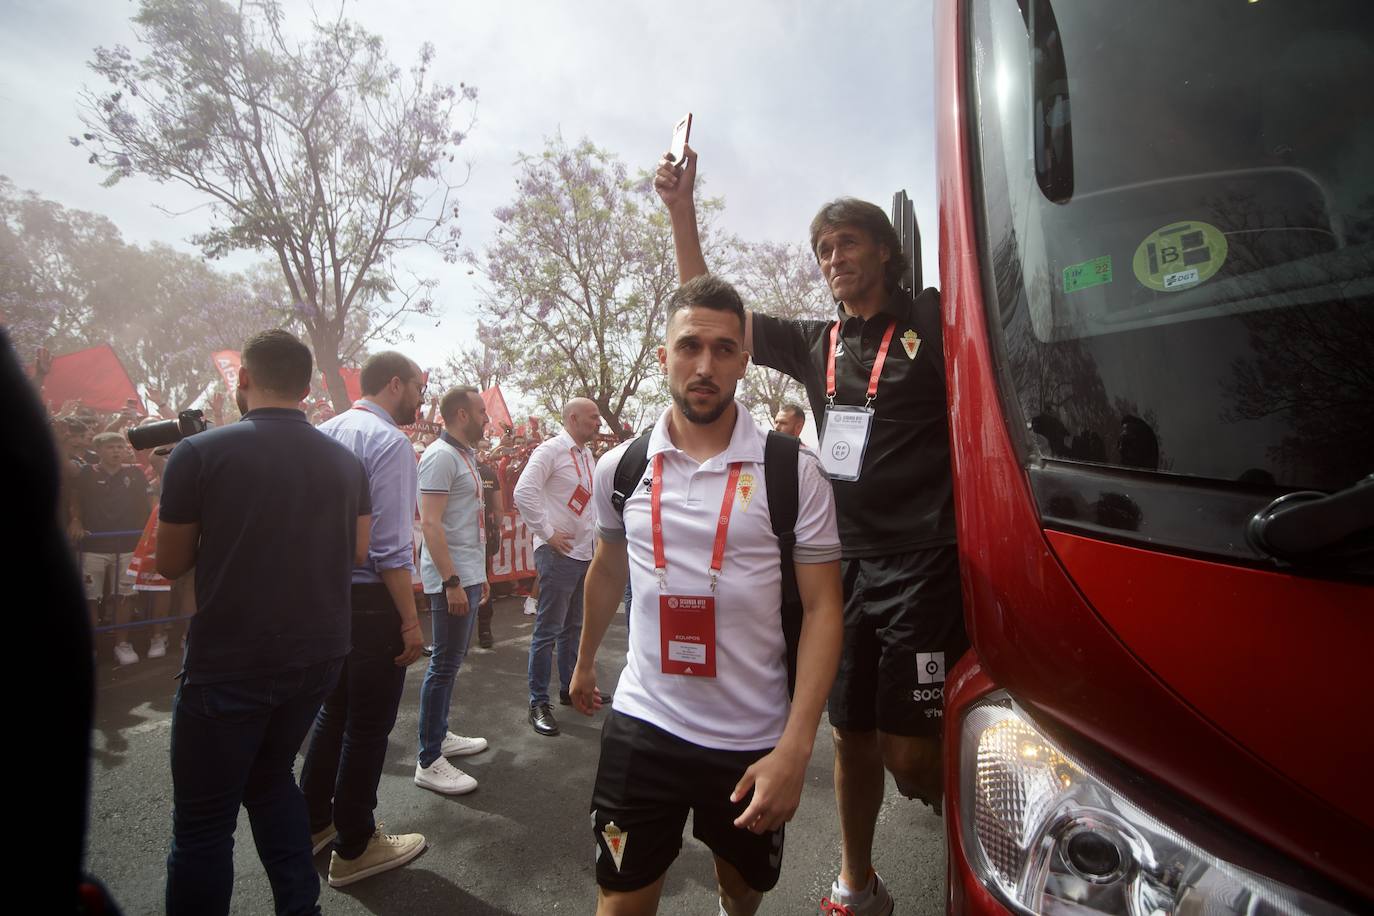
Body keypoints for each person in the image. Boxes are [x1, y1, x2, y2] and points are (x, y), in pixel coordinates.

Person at [656, 147, 966, 916]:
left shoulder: (930, 316)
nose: (834, 259)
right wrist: (681, 211)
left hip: (924, 560)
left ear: (885, 251)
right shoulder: (819, 344)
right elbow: (711, 311)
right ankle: (858, 885)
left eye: (848, 244)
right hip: (842, 566)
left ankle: (983, 845)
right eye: (824, 250)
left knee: (913, 757)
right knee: (848, 734)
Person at [569, 275, 843, 916]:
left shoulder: (792, 471)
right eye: (689, 346)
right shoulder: (623, 467)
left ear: (744, 362)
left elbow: (827, 608)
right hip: (644, 724)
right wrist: (584, 661)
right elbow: (608, 566)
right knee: (620, 898)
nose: (704, 365)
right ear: (662, 355)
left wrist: (796, 747)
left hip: (751, 739)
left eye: (724, 349)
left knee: (740, 889)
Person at [156, 329, 371, 916]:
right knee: (272, 777)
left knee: (203, 823)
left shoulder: (199, 453)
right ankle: (301, 908)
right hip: (320, 652)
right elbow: (358, 551)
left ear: (244, 380)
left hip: (231, 659)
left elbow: (170, 561)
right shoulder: (348, 463)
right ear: (306, 388)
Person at [300, 350, 429, 888]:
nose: (422, 398)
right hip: (373, 600)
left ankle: (313, 822)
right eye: (419, 387)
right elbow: (390, 548)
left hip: (321, 598)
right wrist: (410, 621)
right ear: (395, 384)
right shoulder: (390, 442)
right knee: (369, 726)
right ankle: (355, 845)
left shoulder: (323, 431)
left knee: (334, 712)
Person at [414, 386, 491, 794]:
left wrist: (478, 578)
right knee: (443, 665)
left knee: (450, 663)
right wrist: (452, 582)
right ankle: (428, 759)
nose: (487, 418)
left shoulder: (464, 454)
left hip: (467, 575)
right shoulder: (441, 456)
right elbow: (431, 524)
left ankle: (439, 736)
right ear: (462, 414)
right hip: (451, 580)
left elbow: (466, 524)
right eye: (482, 411)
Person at [512, 397, 602, 736]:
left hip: (583, 553)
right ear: (573, 418)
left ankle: (568, 688)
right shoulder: (550, 450)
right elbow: (523, 492)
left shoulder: (587, 454)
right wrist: (548, 534)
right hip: (558, 554)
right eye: (592, 417)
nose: (597, 422)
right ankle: (538, 701)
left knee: (573, 627)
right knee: (548, 630)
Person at [73, 431, 154, 665]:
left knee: (124, 597)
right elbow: (74, 500)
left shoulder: (136, 473)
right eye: (110, 447)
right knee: (90, 598)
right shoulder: (87, 472)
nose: (117, 451)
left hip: (127, 546)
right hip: (93, 546)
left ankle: (122, 643)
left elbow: (150, 505)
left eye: (120, 446)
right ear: (98, 451)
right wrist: (76, 520)